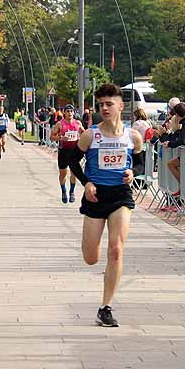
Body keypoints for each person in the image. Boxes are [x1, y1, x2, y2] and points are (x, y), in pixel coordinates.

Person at [68, 84, 144, 328]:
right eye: (101, 104)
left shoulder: (132, 136)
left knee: (116, 250)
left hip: (121, 196)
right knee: (91, 257)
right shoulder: (91, 135)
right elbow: (72, 161)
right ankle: (94, 250)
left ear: (121, 106)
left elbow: (141, 164)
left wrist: (133, 172)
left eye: (109, 104)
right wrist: (86, 182)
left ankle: (106, 306)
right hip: (95, 197)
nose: (104, 108)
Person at [54, 104, 83, 202]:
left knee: (74, 173)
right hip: (63, 151)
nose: (70, 113)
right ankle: (63, 191)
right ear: (64, 113)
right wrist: (61, 138)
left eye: (71, 111)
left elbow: (84, 133)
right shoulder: (60, 124)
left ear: (74, 113)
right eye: (68, 111)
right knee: (63, 173)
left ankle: (72, 192)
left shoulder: (78, 123)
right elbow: (51, 136)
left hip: (74, 151)